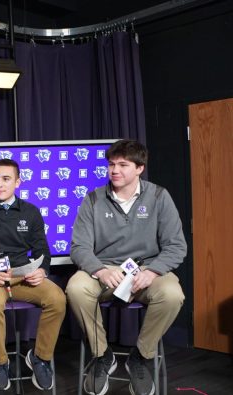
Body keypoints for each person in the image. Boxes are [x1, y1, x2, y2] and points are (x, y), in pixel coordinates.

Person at [66, 139, 186, 395]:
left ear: (140, 168)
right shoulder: (93, 199)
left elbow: (176, 246)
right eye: (111, 164)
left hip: (147, 271)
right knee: (76, 288)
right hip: (105, 271)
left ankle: (140, 356)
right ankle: (102, 355)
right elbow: (79, 247)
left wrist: (152, 272)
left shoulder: (159, 196)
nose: (114, 170)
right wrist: (100, 270)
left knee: (172, 294)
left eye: (123, 164)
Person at [0, 158, 66, 391]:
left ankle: (40, 358)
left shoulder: (30, 212)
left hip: (21, 274)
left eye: (6, 179)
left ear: (18, 182)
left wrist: (41, 270)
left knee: (57, 298)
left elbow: (42, 251)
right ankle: (0, 362)